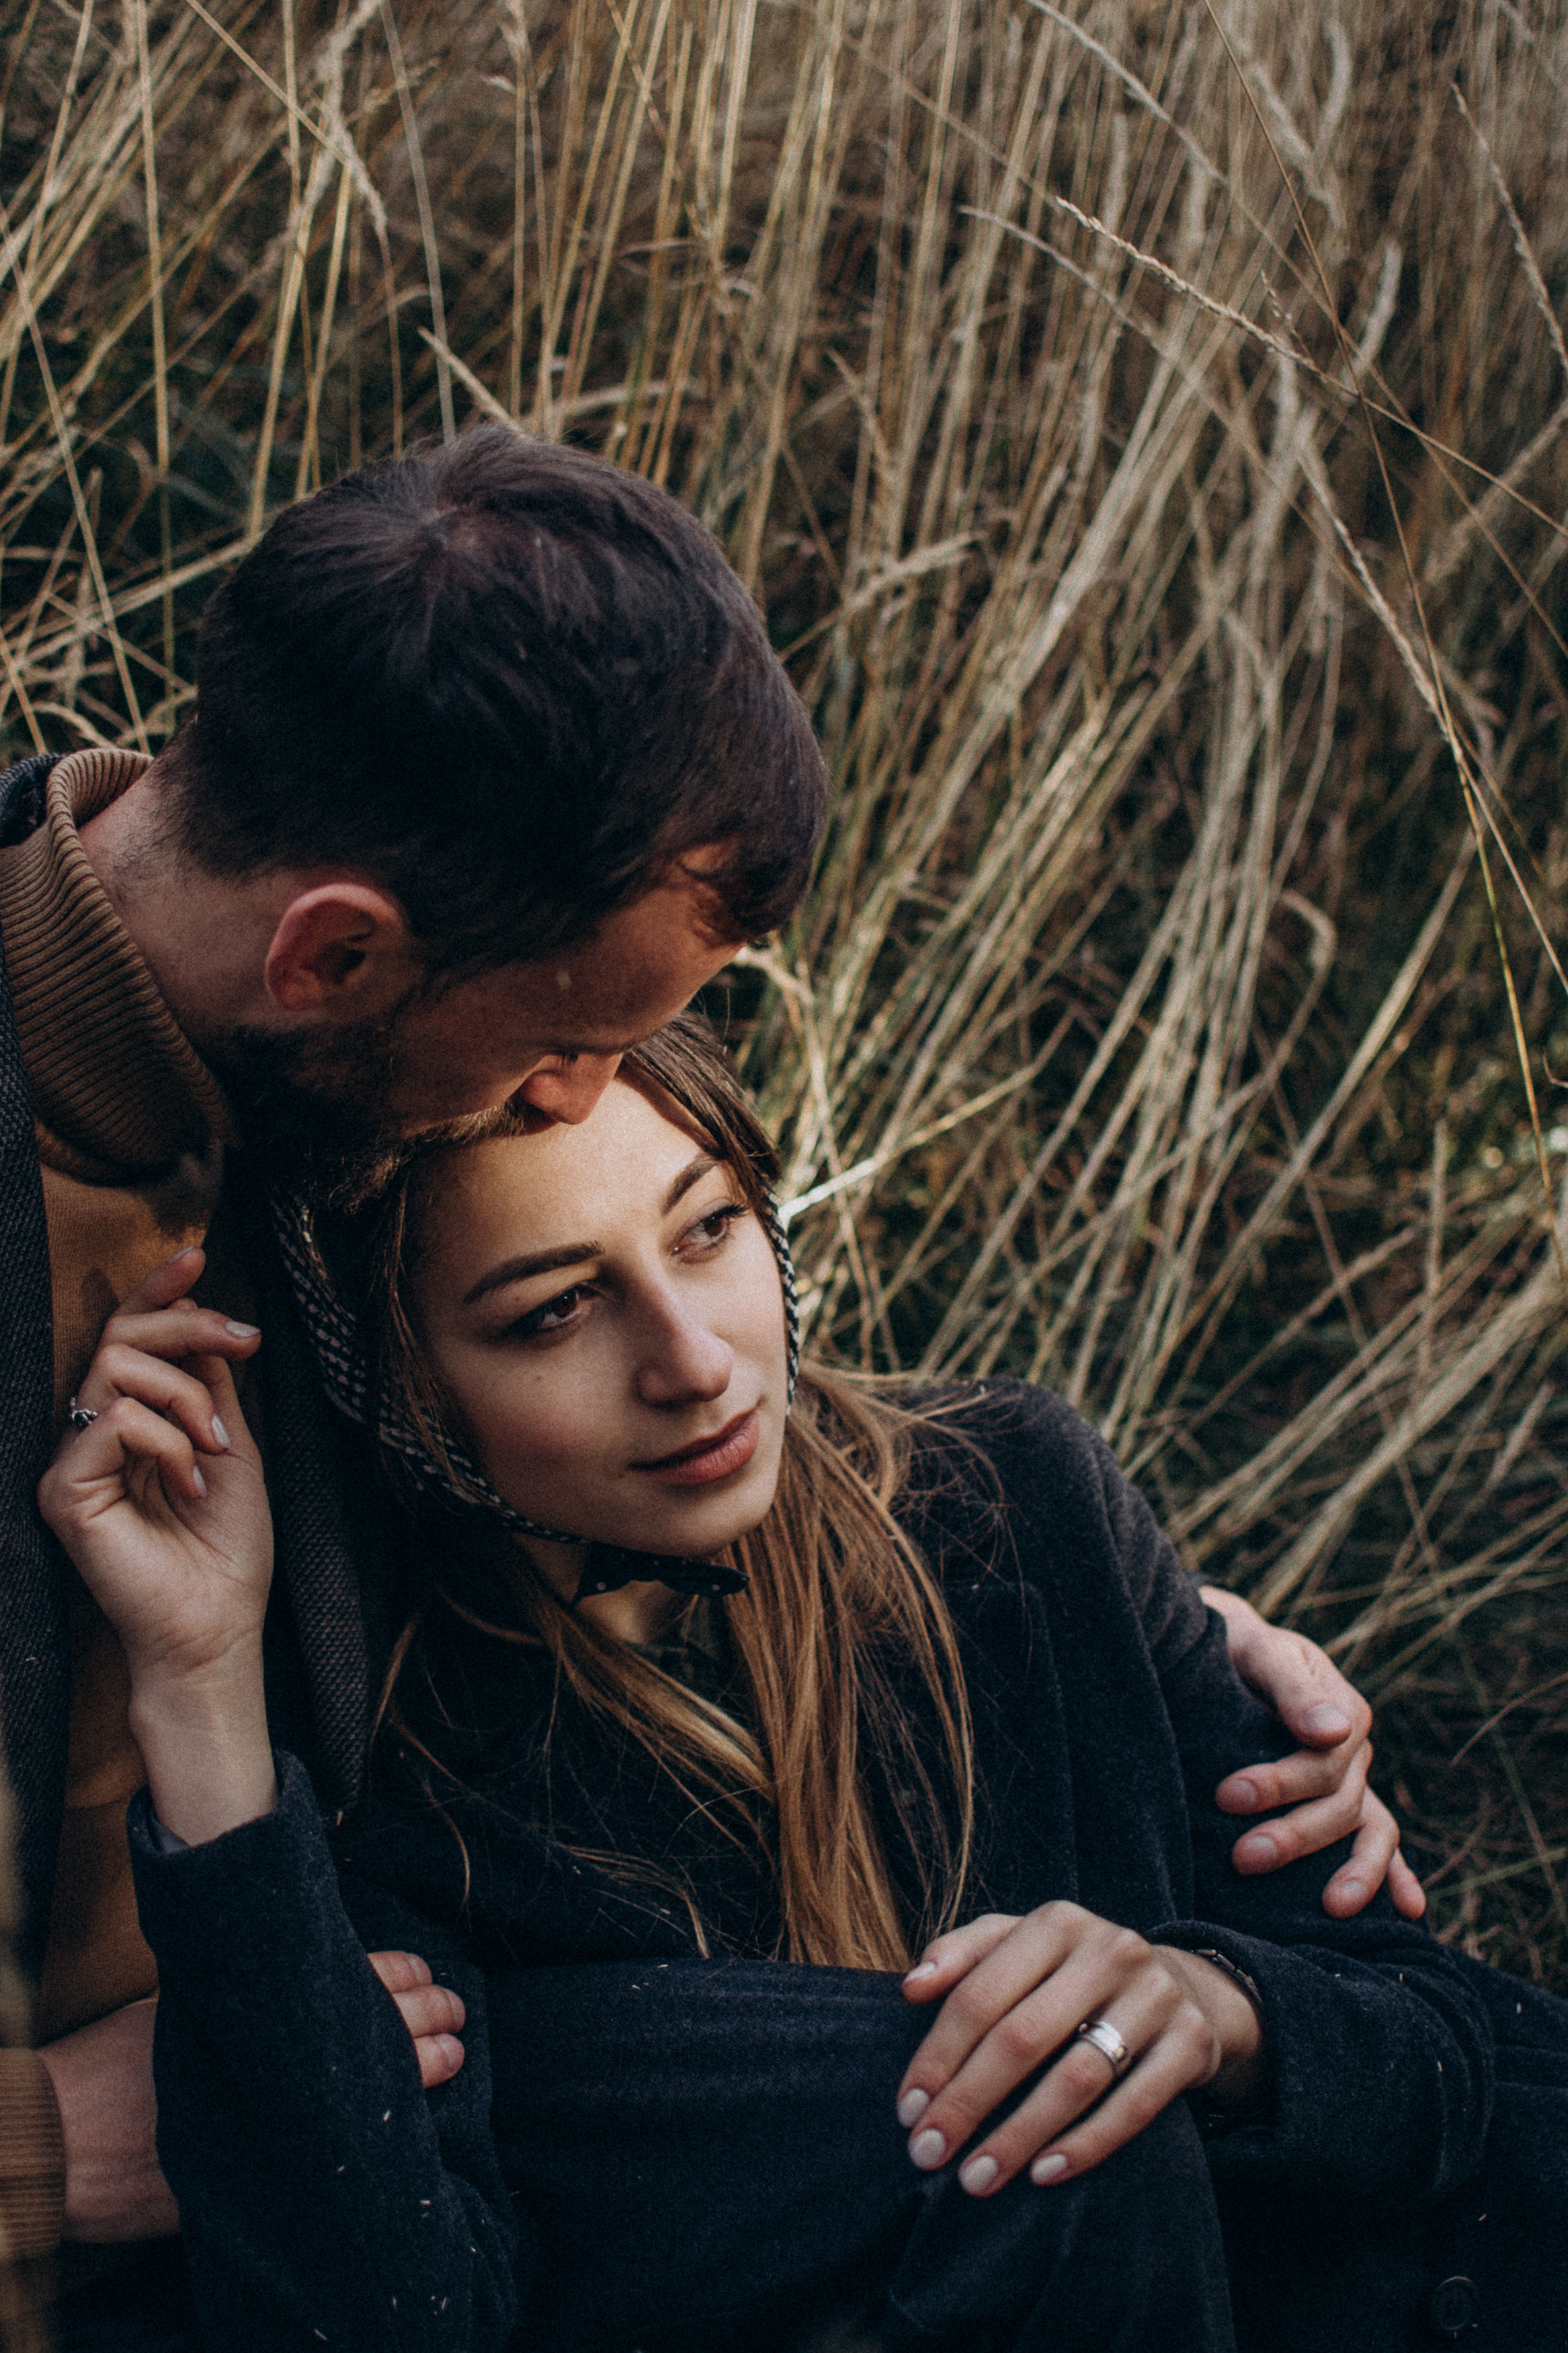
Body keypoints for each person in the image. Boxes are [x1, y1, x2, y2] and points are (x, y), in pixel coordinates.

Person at [0, 422, 1407, 2335]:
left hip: (368, 2105)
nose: (576, 1097)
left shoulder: (296, 1116)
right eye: (570, 1039)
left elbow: (554, 1434)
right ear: (332, 952)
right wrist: (26, 2158)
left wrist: (1154, 1642)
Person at [38, 1012, 1548, 2352]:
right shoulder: (406, 1769)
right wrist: (200, 1677)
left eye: (706, 1229)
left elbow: (1454, 2047)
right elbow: (375, 2312)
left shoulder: (1007, 1492)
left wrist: (1218, 2009)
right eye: (552, 1310)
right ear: (402, 1387)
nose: (693, 1359)